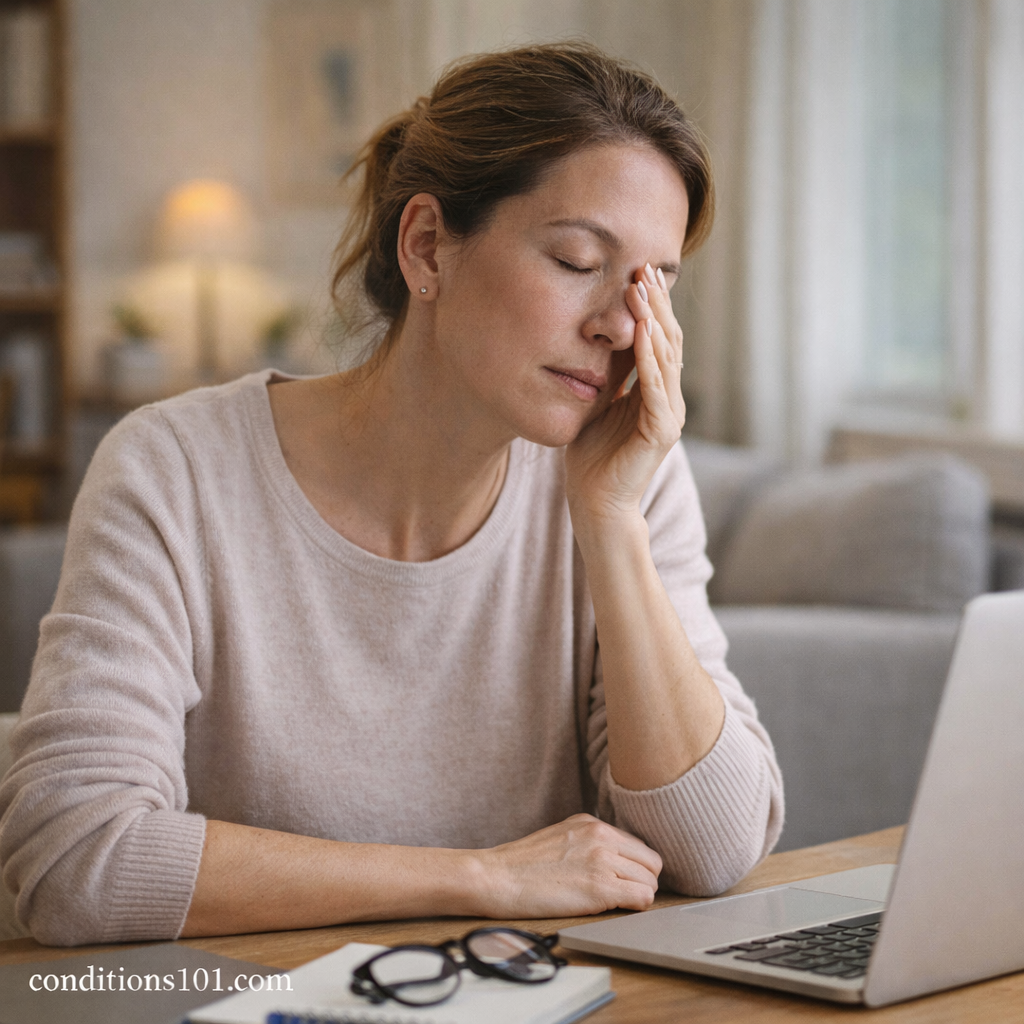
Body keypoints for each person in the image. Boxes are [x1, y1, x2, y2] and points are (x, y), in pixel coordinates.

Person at [0, 42, 782, 947]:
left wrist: (610, 527)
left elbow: (717, 849)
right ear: (426, 247)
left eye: (653, 286)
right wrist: (481, 879)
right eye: (577, 261)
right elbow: (73, 858)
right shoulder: (174, 470)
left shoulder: (627, 481)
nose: (619, 325)